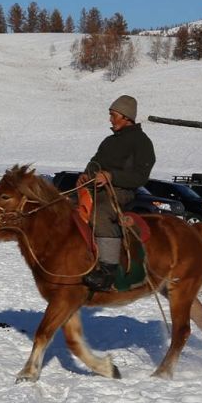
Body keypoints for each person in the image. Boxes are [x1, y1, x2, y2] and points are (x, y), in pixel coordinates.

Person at [82, 94, 154, 290]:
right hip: (96, 189)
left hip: (121, 193)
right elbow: (95, 162)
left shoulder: (142, 143)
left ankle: (108, 270)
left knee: (100, 213)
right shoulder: (109, 141)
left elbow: (140, 176)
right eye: (110, 115)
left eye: (113, 115)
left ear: (126, 117)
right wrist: (86, 175)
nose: (110, 119)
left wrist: (111, 176)